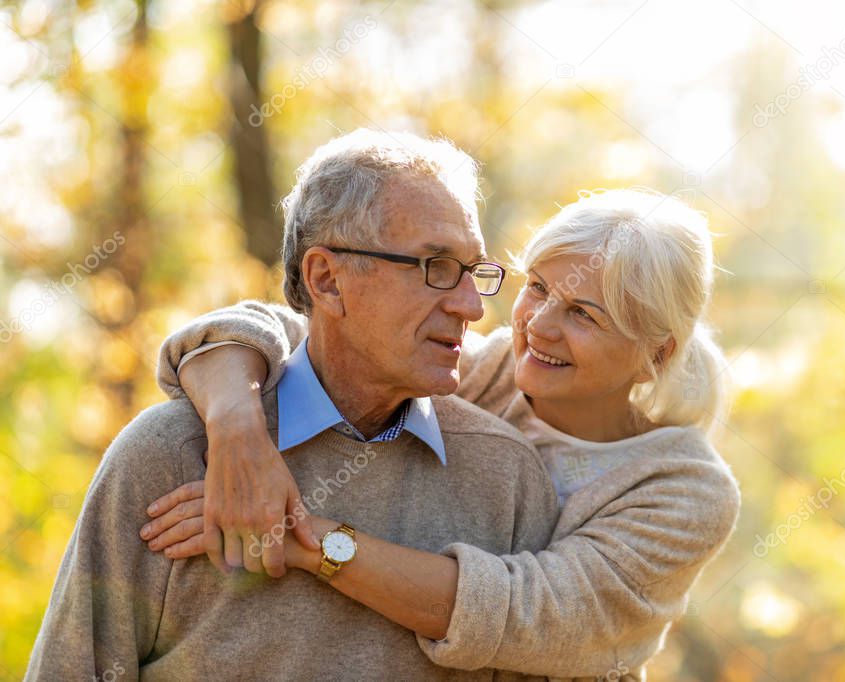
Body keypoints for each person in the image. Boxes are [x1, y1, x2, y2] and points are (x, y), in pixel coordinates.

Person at [26, 129, 561, 680]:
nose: (472, 306)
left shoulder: (506, 478)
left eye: (475, 272)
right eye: (436, 267)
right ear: (327, 281)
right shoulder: (169, 457)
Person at [143, 188, 742, 679]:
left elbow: (525, 615)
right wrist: (236, 430)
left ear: (657, 355)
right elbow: (265, 330)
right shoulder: (491, 372)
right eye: (537, 288)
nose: (539, 327)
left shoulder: (685, 490)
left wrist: (306, 540)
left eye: (584, 314)